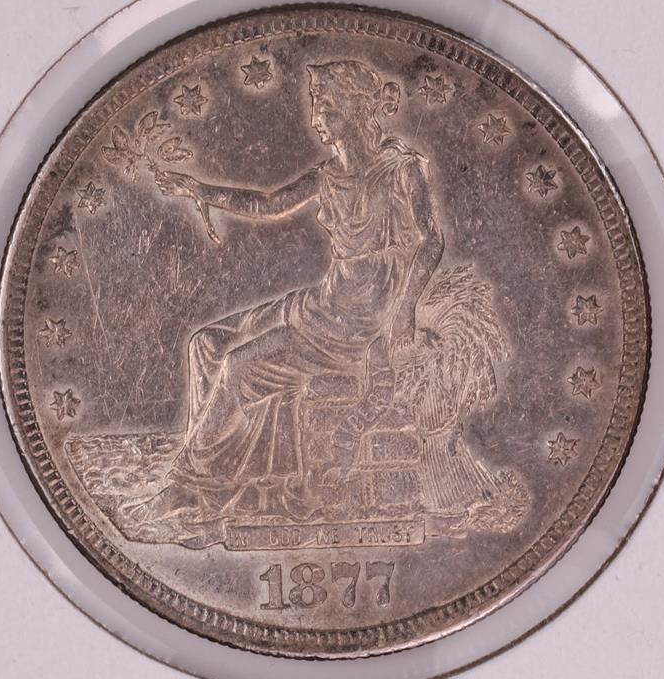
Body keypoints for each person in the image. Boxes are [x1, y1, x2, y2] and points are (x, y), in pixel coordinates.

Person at [144, 59, 444, 529]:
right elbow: (268, 204)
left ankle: (191, 483)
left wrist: (404, 310)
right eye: (316, 106)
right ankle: (230, 481)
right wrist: (198, 188)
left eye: (327, 107)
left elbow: (431, 242)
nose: (317, 118)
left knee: (238, 367)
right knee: (206, 343)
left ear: (356, 109)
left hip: (361, 319)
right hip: (323, 304)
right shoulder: (327, 176)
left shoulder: (402, 170)